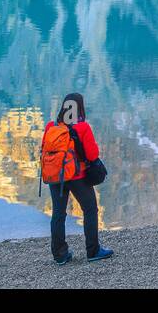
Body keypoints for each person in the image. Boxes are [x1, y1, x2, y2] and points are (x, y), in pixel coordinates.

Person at [44, 92, 113, 265]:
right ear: (79, 108)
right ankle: (93, 251)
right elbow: (92, 154)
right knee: (90, 210)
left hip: (56, 176)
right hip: (77, 176)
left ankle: (60, 255)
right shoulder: (82, 127)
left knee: (58, 214)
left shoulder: (50, 126)